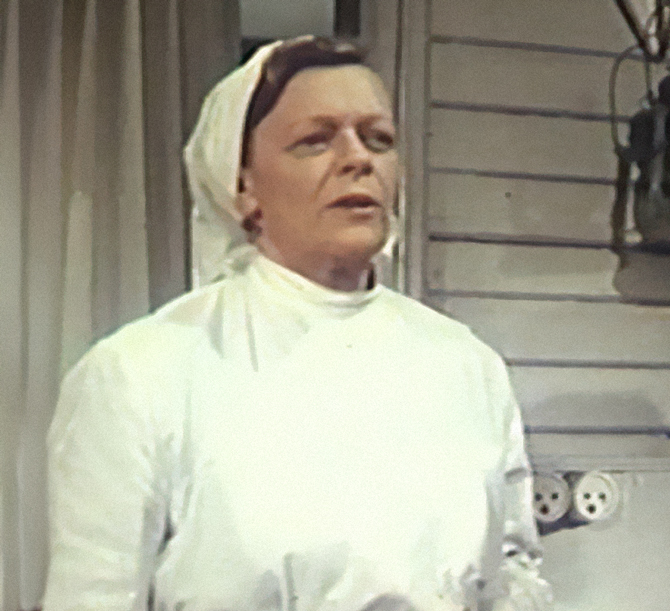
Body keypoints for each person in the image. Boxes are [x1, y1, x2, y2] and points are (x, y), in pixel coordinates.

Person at [43, 37, 550, 611]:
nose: (358, 160)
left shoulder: (467, 366)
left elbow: (511, 577)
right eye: (315, 140)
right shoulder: (142, 374)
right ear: (242, 186)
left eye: (378, 139)